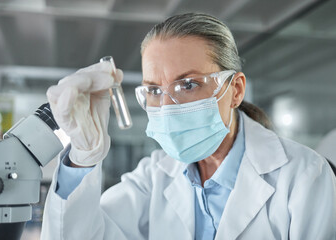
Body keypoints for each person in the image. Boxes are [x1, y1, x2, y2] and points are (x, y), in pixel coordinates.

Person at [41, 13, 336, 240]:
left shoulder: (304, 175)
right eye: (154, 90)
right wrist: (82, 158)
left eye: (188, 84)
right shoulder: (154, 176)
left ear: (235, 90)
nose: (168, 107)